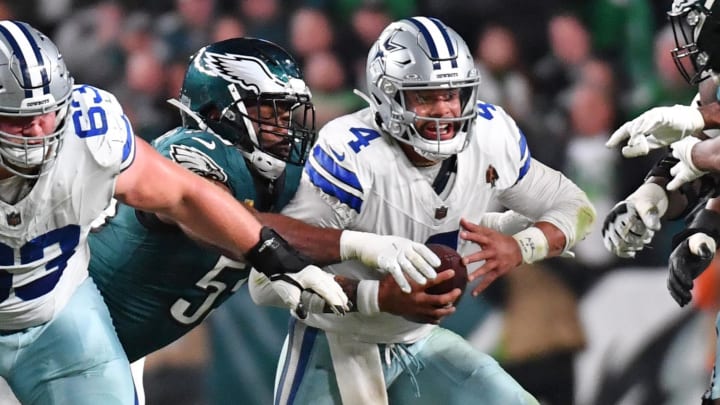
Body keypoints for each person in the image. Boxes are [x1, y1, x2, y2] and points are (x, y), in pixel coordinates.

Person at [0, 20, 356, 405]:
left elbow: (185, 197)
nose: (36, 130)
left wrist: (272, 255)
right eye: (15, 119)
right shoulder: (196, 151)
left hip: (59, 317)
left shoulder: (88, 130)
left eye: (47, 112)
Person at [86, 37, 459, 403]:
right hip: (63, 328)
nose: (284, 126)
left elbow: (293, 273)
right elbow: (219, 221)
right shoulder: (190, 151)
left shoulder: (285, 178)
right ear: (218, 112)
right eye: (269, 112)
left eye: (288, 112)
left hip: (113, 354)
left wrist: (381, 296)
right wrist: (357, 244)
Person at [249, 16, 596, 405]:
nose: (445, 110)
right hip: (338, 344)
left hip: (420, 341)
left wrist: (522, 247)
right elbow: (264, 283)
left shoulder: (490, 133)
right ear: (387, 95)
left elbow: (576, 207)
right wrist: (375, 295)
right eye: (425, 97)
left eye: (452, 94)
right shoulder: (353, 153)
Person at [603, 1, 720, 403]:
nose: (694, 37)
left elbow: (703, 150)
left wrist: (695, 149)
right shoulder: (713, 87)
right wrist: (652, 197)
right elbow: (704, 160)